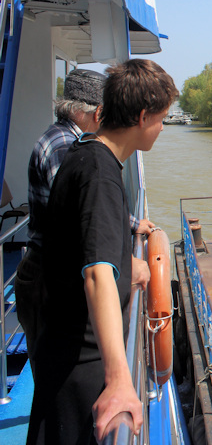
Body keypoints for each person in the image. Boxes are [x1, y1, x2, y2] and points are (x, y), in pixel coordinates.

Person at [26, 59, 179, 444]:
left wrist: (132, 271)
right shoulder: (101, 176)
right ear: (143, 117)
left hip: (60, 346)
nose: (162, 129)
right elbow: (97, 273)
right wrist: (118, 379)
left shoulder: (84, 152)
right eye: (161, 119)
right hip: (80, 366)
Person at [14, 69, 155, 379]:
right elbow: (81, 213)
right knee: (56, 374)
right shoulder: (67, 147)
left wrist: (132, 223)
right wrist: (126, 262)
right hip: (45, 277)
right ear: (92, 112)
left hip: (47, 268)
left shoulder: (65, 140)